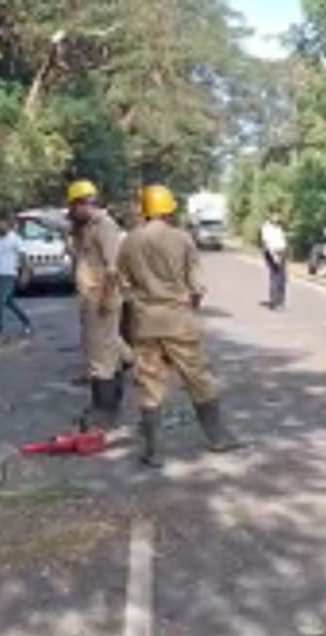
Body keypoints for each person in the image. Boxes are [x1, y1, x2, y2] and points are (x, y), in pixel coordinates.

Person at [118, 183, 246, 468]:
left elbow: (123, 286)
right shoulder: (183, 239)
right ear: (168, 210)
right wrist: (190, 307)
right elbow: (198, 287)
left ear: (145, 210)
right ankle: (218, 437)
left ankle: (153, 451)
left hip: (145, 322)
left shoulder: (130, 241)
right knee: (198, 377)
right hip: (178, 319)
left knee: (150, 384)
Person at [67, 179, 128, 428]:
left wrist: (104, 299)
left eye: (73, 207)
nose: (71, 212)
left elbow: (113, 269)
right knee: (108, 350)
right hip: (91, 298)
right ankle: (109, 402)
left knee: (100, 356)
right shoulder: (86, 227)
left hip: (101, 298)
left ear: (83, 203)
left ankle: (103, 411)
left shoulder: (104, 225)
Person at [260, 213, 288, 309]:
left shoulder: (278, 227)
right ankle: (275, 302)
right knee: (275, 277)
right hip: (273, 253)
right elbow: (267, 243)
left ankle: (281, 300)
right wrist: (274, 256)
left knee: (282, 278)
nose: (278, 217)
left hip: (281, 252)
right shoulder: (267, 228)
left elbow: (282, 240)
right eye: (275, 216)